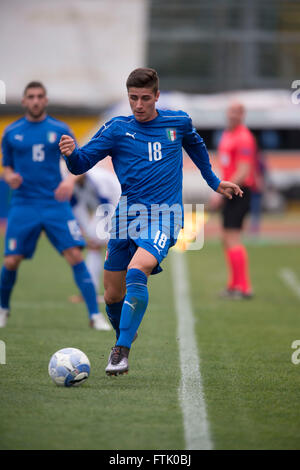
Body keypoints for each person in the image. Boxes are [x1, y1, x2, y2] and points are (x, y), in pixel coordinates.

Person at [59, 67, 243, 375]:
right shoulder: (117, 129)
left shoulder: (178, 122)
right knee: (113, 293)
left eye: (146, 98)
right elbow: (81, 164)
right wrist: (70, 154)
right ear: (128, 97)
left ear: (157, 96)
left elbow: (196, 147)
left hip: (165, 215)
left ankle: (121, 350)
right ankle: (126, 334)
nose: (139, 105)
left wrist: (214, 182)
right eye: (133, 98)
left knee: (137, 269)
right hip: (125, 216)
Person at [0, 81, 111, 331]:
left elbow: (78, 162)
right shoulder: (11, 132)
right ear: (24, 101)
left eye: (40, 96)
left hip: (55, 204)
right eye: (31, 96)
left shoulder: (60, 129)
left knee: (74, 254)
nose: (36, 100)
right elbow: (6, 166)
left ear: (46, 100)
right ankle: (3, 309)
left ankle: (94, 316)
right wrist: (9, 177)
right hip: (24, 203)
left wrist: (70, 181)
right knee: (11, 260)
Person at [213, 101, 256, 298]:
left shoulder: (244, 137)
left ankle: (244, 287)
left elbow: (244, 170)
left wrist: (221, 190)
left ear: (243, 115)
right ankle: (234, 284)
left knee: (233, 237)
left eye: (238, 112)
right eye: (231, 111)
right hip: (231, 191)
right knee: (226, 238)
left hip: (239, 191)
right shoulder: (227, 134)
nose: (233, 115)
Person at [69, 165, 121, 302]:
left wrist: (98, 236)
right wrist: (88, 233)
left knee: (117, 248)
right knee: (95, 247)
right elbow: (77, 208)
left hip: (120, 205)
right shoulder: (70, 182)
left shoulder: (98, 178)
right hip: (104, 210)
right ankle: (89, 292)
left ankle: (120, 292)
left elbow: (108, 206)